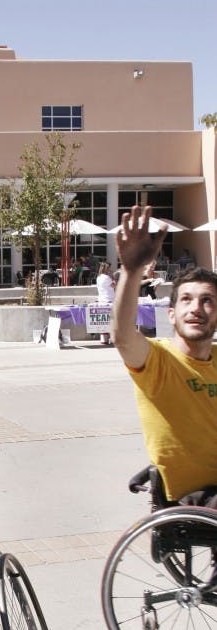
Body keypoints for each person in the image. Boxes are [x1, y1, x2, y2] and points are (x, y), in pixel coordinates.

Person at [111, 204, 217, 508]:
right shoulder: (158, 361)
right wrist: (132, 272)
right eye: (187, 300)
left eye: (207, 301)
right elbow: (122, 337)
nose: (196, 308)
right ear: (171, 314)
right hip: (195, 496)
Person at [95, 261, 116, 345]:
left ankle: (104, 339)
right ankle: (112, 337)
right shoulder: (107, 278)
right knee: (112, 320)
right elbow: (114, 285)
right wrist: (113, 277)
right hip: (109, 300)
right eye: (109, 268)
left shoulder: (99, 277)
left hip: (102, 300)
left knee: (104, 321)